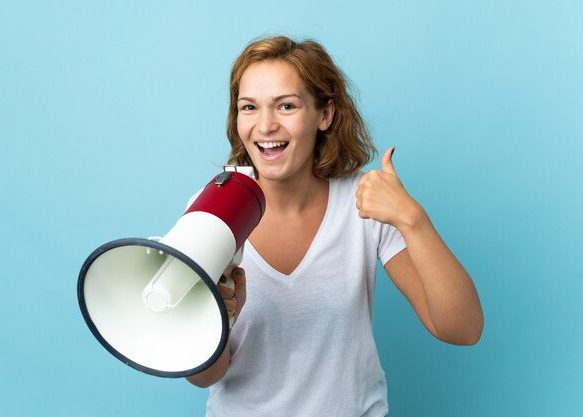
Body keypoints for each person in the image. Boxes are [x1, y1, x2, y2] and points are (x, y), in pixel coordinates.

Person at [186, 35, 484, 417]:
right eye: (249, 107)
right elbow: (205, 377)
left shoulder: (365, 204)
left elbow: (463, 329)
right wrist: (220, 320)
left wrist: (413, 220)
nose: (265, 125)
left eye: (286, 106)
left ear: (324, 115)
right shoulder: (212, 208)